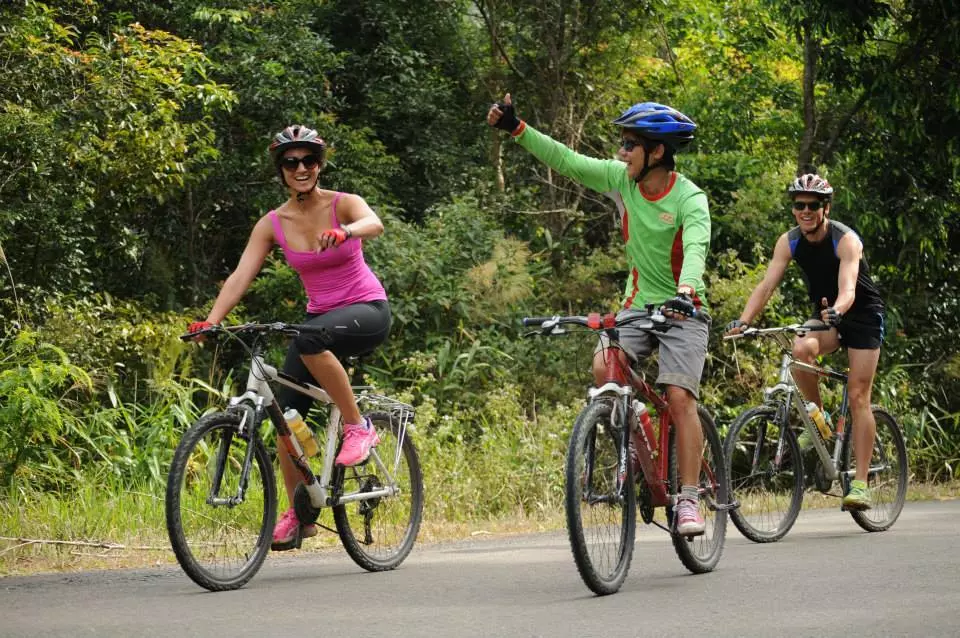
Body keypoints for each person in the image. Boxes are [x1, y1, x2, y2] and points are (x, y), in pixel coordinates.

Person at [487, 94, 712, 536]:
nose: (620, 152)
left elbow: (697, 249)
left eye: (630, 144)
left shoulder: (690, 198)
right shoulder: (621, 181)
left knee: (680, 397)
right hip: (637, 307)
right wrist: (517, 128)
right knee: (602, 366)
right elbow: (566, 160)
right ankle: (639, 432)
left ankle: (688, 498)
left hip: (684, 312)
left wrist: (686, 290)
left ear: (657, 151)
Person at [188, 125, 392, 549]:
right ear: (280, 170)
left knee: (310, 339)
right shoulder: (272, 223)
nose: (301, 168)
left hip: (367, 311)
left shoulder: (343, 204)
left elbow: (374, 223)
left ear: (319, 165)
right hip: (319, 322)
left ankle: (357, 427)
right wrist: (210, 320)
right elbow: (242, 274)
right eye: (291, 162)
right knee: (286, 417)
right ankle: (301, 514)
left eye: (309, 160)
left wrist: (345, 232)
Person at [724, 171, 885, 510]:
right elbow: (767, 285)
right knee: (800, 349)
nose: (806, 211)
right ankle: (820, 420)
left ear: (826, 207)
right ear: (794, 208)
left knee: (858, 394)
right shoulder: (790, 241)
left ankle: (860, 484)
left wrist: (840, 310)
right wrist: (744, 321)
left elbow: (849, 289)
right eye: (799, 205)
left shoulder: (846, 241)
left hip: (861, 314)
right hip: (827, 315)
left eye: (813, 205)